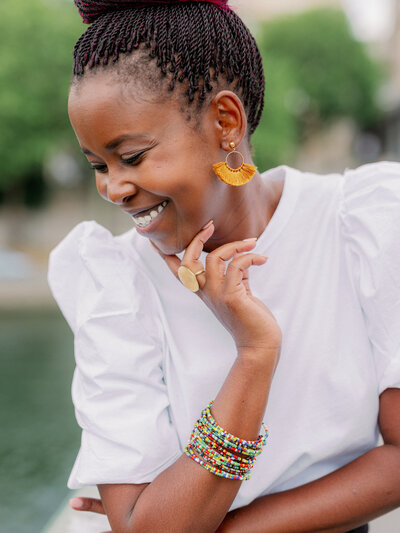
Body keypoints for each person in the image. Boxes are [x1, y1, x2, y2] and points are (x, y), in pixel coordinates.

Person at [47, 0, 400, 531]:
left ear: (226, 122)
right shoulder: (113, 281)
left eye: (133, 156)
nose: (112, 188)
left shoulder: (364, 225)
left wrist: (223, 526)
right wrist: (254, 354)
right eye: (97, 164)